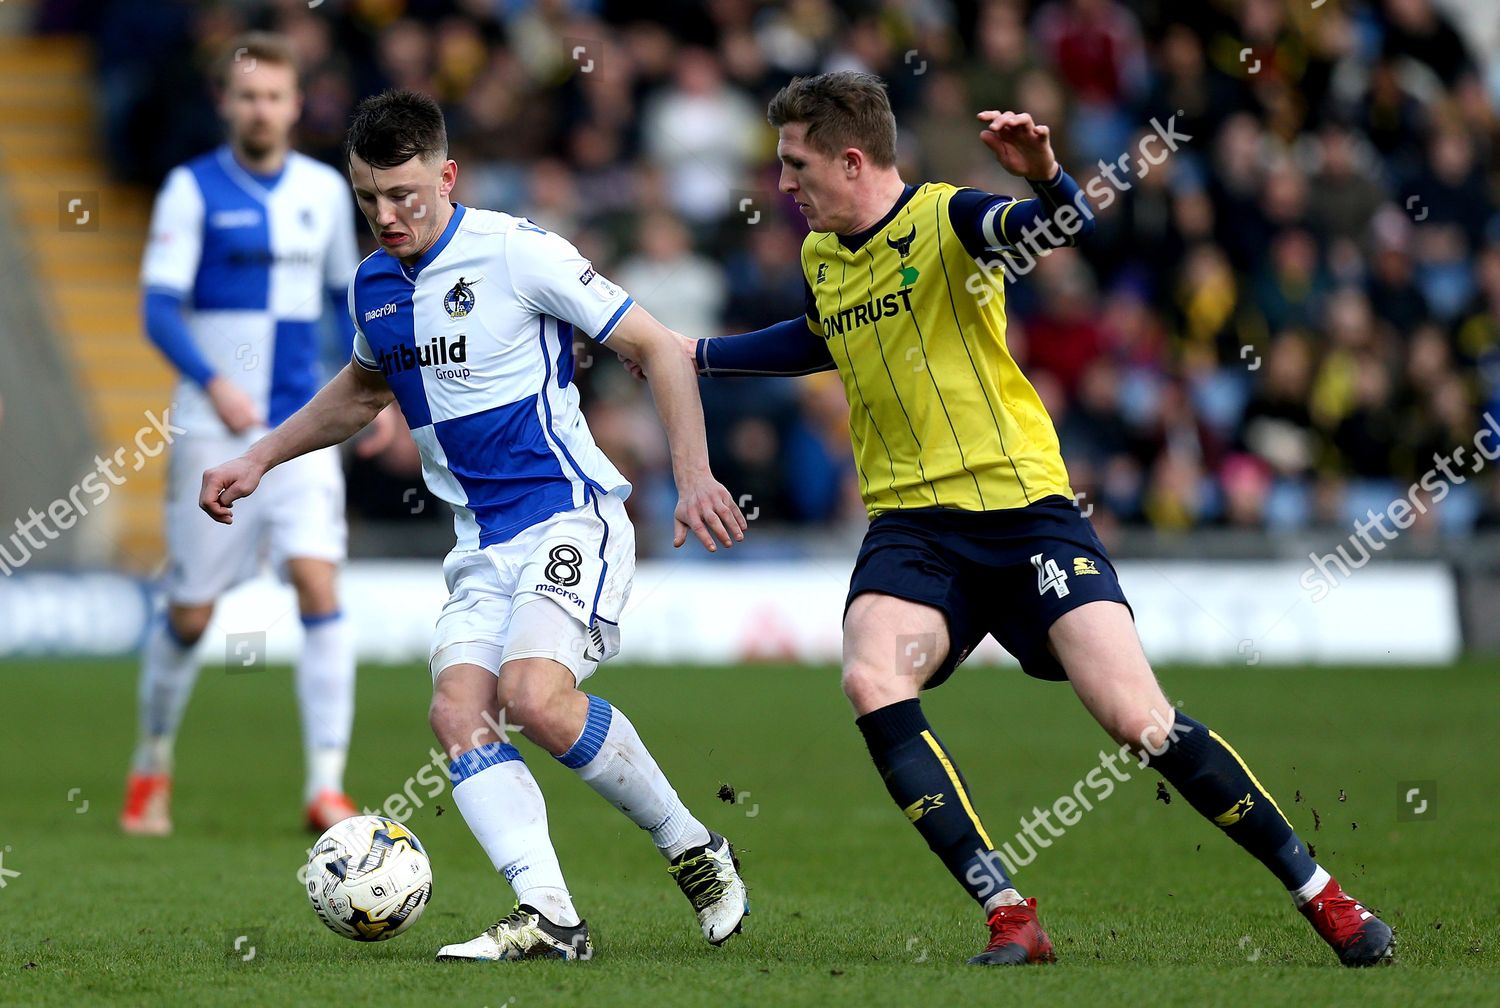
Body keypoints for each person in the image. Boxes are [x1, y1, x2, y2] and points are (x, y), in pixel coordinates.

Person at [642, 71, 1393, 967]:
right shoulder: (820, 257)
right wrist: (697, 355)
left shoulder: (952, 218)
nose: (783, 186)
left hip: (1027, 514)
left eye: (796, 165)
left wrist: (1046, 176)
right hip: (914, 531)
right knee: (871, 678)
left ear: (852, 159)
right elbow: (821, 335)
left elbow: (1049, 230)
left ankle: (1325, 896)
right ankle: (1008, 909)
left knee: (1136, 719)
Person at [200, 89, 750, 962]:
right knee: (460, 714)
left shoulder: (517, 251)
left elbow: (656, 346)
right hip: (482, 549)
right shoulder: (374, 287)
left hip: (574, 515)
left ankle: (693, 847)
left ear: (447, 176)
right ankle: (552, 919)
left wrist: (692, 477)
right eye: (369, 198)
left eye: (405, 195)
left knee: (533, 697)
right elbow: (361, 390)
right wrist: (258, 458)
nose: (386, 216)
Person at [124, 32, 394, 836]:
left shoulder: (320, 190)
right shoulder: (190, 190)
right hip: (215, 428)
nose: (262, 109)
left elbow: (351, 302)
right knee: (192, 617)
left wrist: (375, 398)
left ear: (296, 103)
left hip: (299, 430)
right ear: (226, 104)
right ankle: (151, 762)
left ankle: (325, 785)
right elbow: (157, 309)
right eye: (247, 96)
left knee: (318, 584)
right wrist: (215, 385)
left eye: (275, 96)